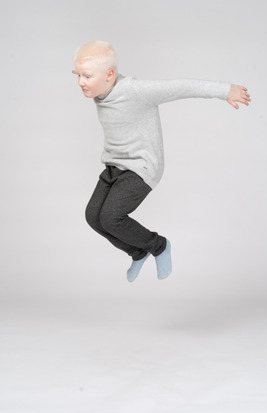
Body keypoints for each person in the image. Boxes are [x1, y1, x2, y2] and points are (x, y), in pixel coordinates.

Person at [72, 40, 251, 282]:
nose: (81, 82)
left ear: (110, 74)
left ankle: (159, 246)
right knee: (93, 216)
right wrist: (90, 73)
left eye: (87, 76)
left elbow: (181, 87)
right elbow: (93, 76)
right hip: (114, 166)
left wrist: (224, 90)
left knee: (111, 217)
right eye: (78, 75)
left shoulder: (136, 90)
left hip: (142, 167)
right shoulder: (101, 88)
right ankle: (137, 253)